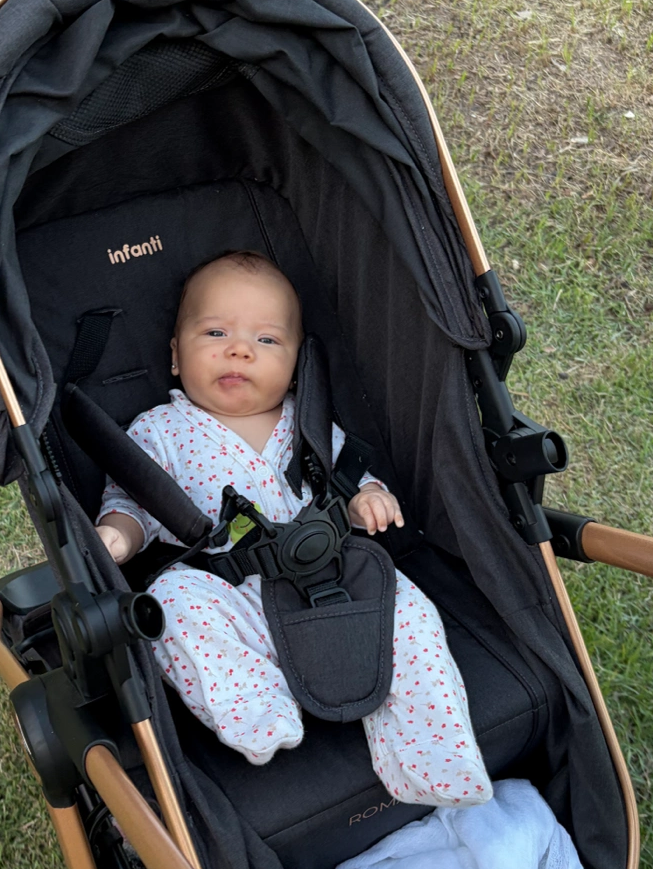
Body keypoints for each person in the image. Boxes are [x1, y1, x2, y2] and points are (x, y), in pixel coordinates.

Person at [96, 251, 491, 808]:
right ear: (177, 356)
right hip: (233, 593)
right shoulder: (161, 430)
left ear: (294, 365)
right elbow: (130, 499)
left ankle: (435, 759)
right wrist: (119, 534)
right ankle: (257, 706)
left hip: (335, 583)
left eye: (266, 340)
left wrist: (368, 498)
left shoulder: (307, 420)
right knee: (170, 602)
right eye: (216, 332)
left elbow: (346, 479)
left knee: (410, 614)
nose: (239, 350)